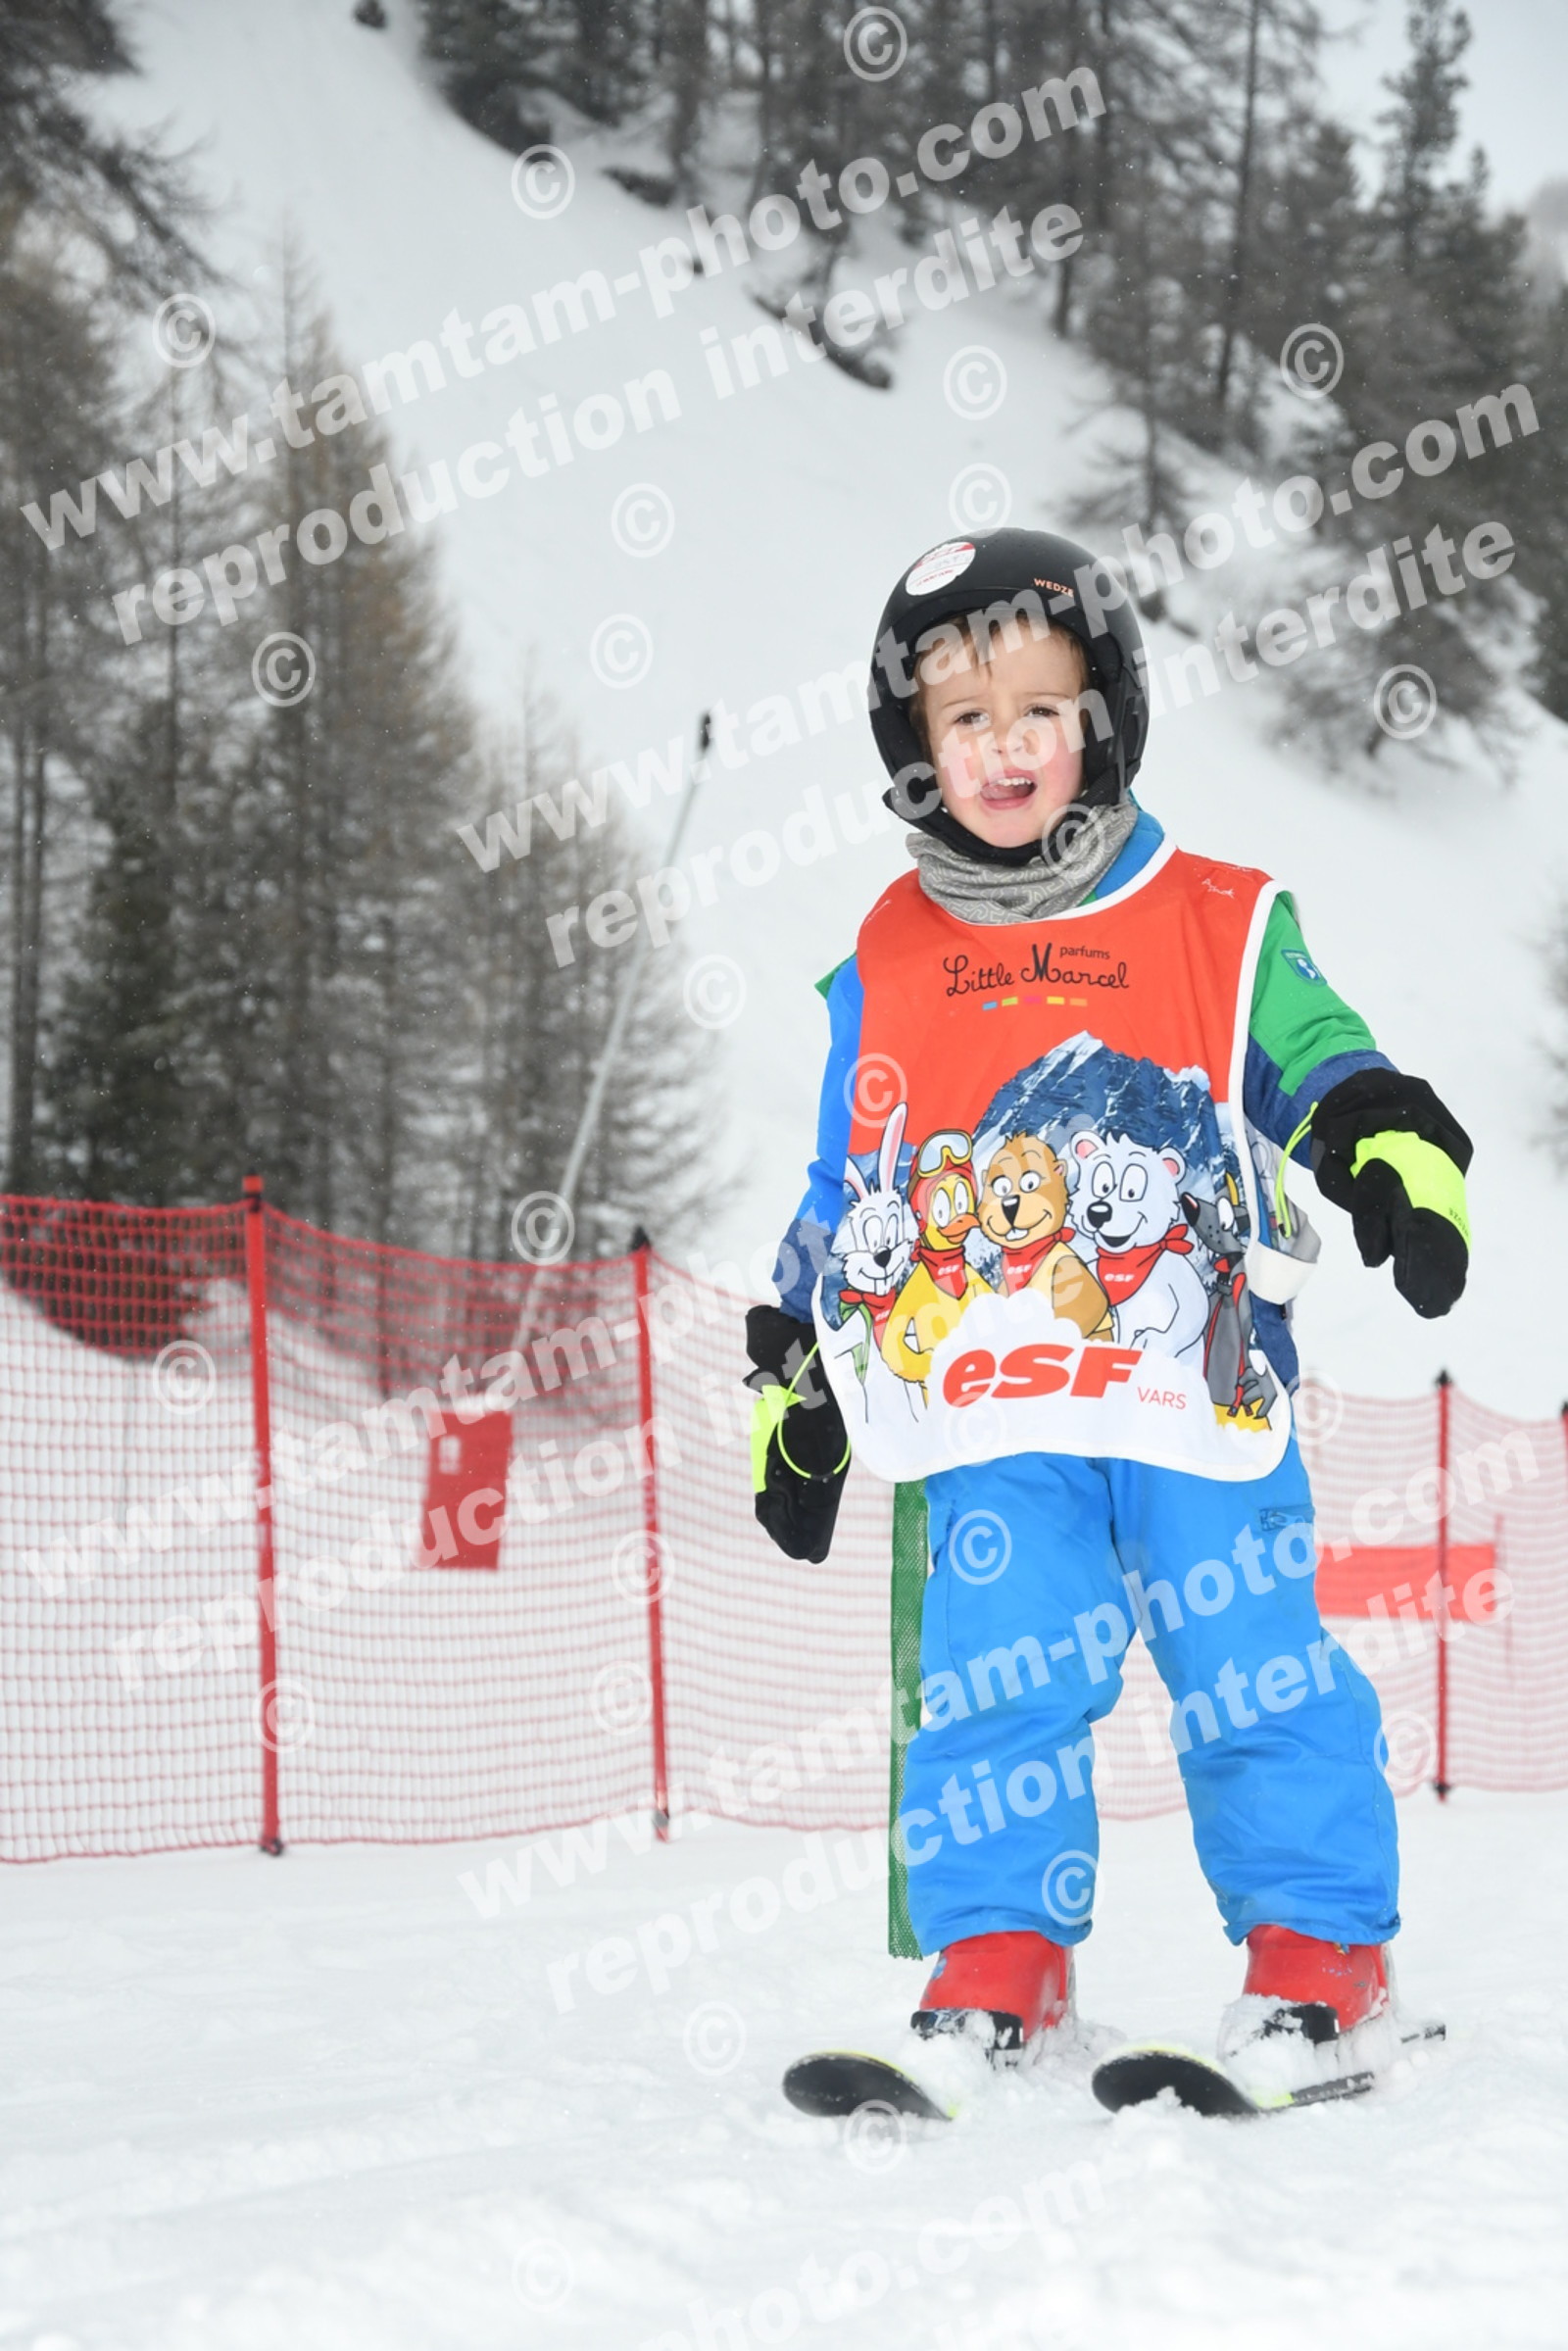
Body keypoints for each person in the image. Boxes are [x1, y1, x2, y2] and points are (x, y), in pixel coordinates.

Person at [744, 528, 1472, 2090]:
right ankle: (1000, 1961)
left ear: (1105, 716)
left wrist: (1388, 1151)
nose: (1002, 746)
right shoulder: (891, 952)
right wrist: (800, 1366)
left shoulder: (1215, 914)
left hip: (1192, 1385)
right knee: (994, 1672)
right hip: (988, 1403)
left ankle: (1323, 1957)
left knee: (1249, 1664)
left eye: (1039, 708)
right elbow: (848, 1181)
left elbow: (1325, 1061)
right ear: (915, 745)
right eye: (963, 716)